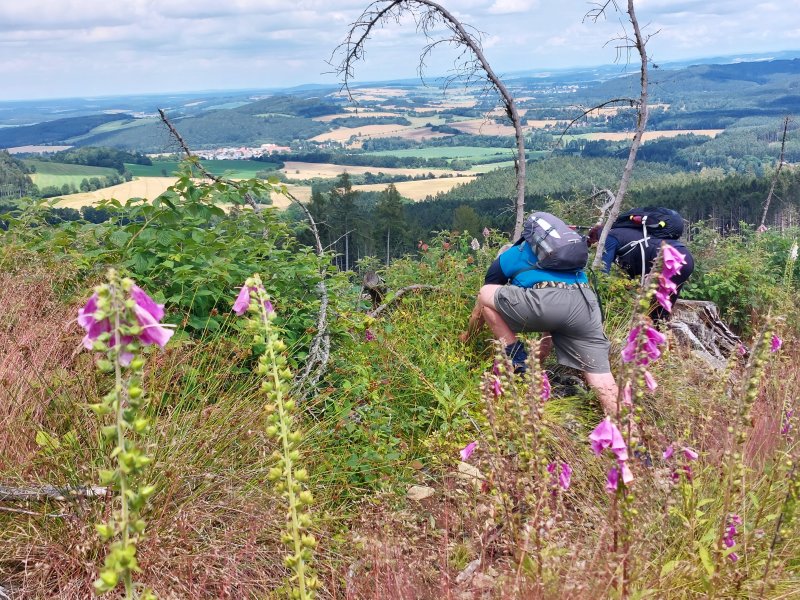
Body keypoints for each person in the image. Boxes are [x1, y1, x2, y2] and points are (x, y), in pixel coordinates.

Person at [459, 217, 618, 416]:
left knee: (485, 295)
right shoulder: (561, 256)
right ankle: (631, 436)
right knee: (604, 382)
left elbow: (480, 307)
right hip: (586, 303)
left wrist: (469, 339)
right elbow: (553, 320)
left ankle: (516, 356)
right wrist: (540, 355)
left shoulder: (509, 256)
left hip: (547, 303)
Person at [588, 207, 694, 320]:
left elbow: (603, 270)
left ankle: (653, 331)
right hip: (685, 256)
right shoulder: (630, 231)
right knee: (662, 311)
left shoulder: (608, 237)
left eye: (594, 244)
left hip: (666, 258)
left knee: (654, 313)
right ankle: (662, 331)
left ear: (596, 239)